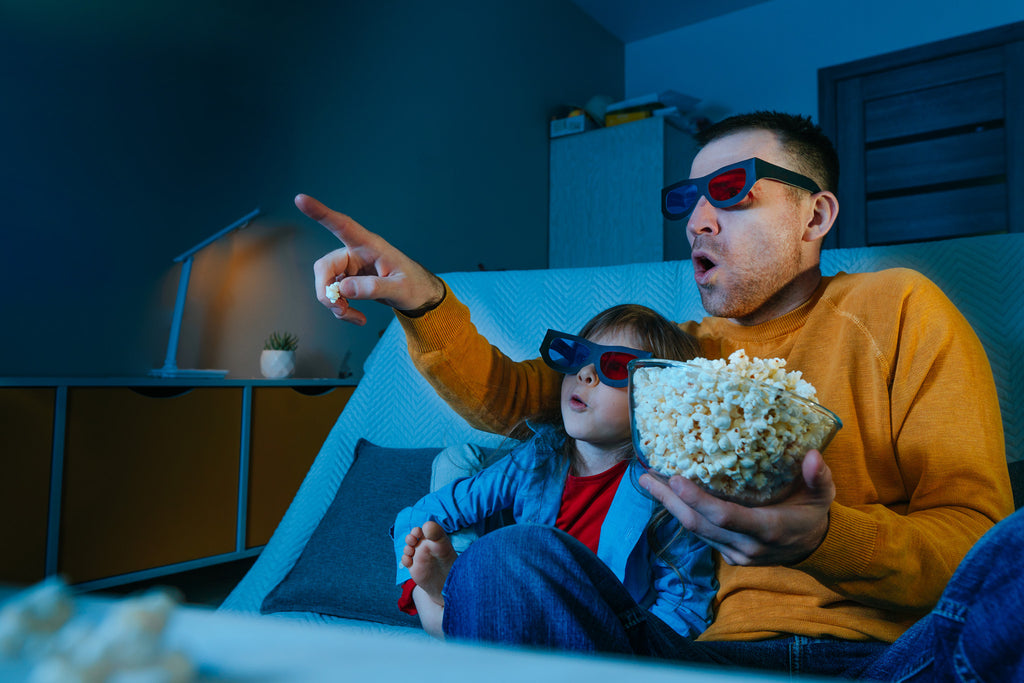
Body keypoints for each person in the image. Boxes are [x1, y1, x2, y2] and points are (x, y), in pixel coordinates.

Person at [303, 111, 1018, 679]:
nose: (698, 219)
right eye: (689, 200)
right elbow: (527, 395)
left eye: (732, 191)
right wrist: (424, 301)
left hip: (896, 660)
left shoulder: (901, 308)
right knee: (505, 560)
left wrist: (828, 538)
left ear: (816, 216)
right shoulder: (675, 354)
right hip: (704, 660)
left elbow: (975, 546)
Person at [392, 304, 717, 642]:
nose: (585, 374)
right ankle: (449, 590)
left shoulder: (666, 488)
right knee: (454, 464)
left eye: (616, 366)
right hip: (521, 598)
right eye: (578, 357)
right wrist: (417, 576)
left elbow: (684, 600)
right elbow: (426, 512)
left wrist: (632, 659)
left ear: (662, 400)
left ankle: (453, 609)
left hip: (599, 630)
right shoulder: (537, 458)